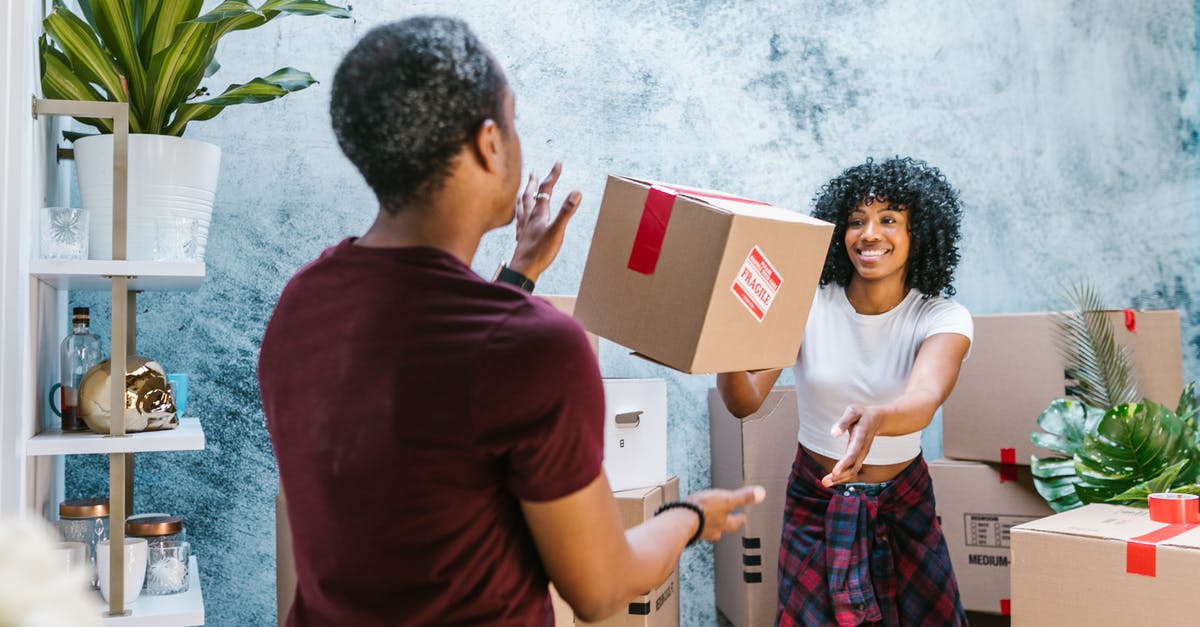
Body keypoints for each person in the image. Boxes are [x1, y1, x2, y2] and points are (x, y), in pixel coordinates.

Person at [258, 16, 764, 627]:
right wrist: (690, 517)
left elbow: (426, 419)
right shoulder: (537, 349)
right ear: (489, 142)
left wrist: (518, 274)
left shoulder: (302, 303)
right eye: (514, 121)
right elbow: (601, 590)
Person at [717, 157, 972, 626]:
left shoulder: (941, 317)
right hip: (816, 503)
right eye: (856, 221)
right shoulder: (805, 303)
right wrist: (721, 343)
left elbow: (926, 396)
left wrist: (877, 418)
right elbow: (744, 400)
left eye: (889, 220)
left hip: (904, 506)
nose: (869, 234)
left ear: (921, 233)